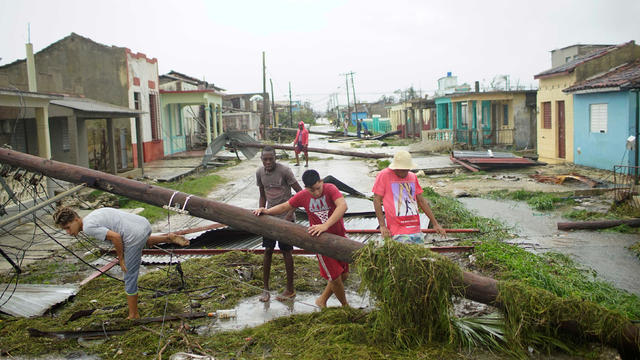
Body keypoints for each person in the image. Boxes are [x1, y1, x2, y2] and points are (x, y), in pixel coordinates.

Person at [53, 206, 190, 319]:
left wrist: (121, 259)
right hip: (143, 224)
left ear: (76, 219)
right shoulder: (92, 215)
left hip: (134, 234)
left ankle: (133, 314)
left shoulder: (88, 227)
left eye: (68, 227)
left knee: (129, 275)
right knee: (139, 241)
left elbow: (116, 237)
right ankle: (168, 238)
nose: (68, 232)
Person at [253, 169, 349, 308]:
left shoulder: (330, 188)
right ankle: (345, 307)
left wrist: (325, 225)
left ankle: (321, 300)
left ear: (321, 181)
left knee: (344, 274)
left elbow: (343, 206)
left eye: (318, 188)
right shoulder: (303, 195)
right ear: (305, 188)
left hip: (340, 237)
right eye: (312, 190)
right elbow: (286, 206)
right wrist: (267, 211)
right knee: (335, 277)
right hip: (320, 241)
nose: (316, 193)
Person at [256, 146, 303, 302]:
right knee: (268, 250)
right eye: (265, 159)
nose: (268, 162)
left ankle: (290, 289)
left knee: (286, 251)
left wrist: (290, 214)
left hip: (286, 218)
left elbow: (300, 194)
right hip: (269, 217)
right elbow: (262, 195)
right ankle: (265, 289)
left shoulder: (285, 171)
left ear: (275, 158)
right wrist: (261, 209)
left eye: (271, 159)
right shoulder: (260, 173)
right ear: (262, 159)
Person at [372, 150, 446, 243]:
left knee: (419, 255)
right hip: (397, 230)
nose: (405, 173)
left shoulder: (412, 177)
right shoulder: (384, 175)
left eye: (407, 170)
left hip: (415, 228)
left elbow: (421, 201)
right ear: (396, 168)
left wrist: (435, 223)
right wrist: (382, 226)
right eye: (402, 170)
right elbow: (377, 200)